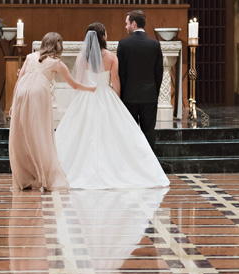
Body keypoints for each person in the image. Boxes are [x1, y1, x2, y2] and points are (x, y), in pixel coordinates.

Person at [56, 24, 169, 189]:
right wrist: (116, 104)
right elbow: (115, 82)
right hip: (105, 96)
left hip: (86, 96)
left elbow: (79, 81)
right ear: (104, 36)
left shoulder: (81, 58)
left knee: (80, 135)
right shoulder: (111, 57)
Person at [8, 32, 94, 191]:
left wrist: (13, 104)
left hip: (21, 92)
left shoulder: (30, 56)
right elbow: (74, 85)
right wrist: (91, 88)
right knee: (40, 134)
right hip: (38, 93)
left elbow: (19, 79)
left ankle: (26, 177)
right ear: (58, 45)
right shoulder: (57, 63)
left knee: (22, 134)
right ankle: (45, 176)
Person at [116, 10, 164, 149]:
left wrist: (123, 95)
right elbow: (158, 73)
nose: (125, 27)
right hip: (149, 96)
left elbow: (121, 74)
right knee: (149, 132)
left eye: (127, 23)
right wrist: (154, 92)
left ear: (134, 24)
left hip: (129, 97)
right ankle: (149, 166)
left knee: (129, 133)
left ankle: (131, 164)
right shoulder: (154, 45)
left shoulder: (123, 44)